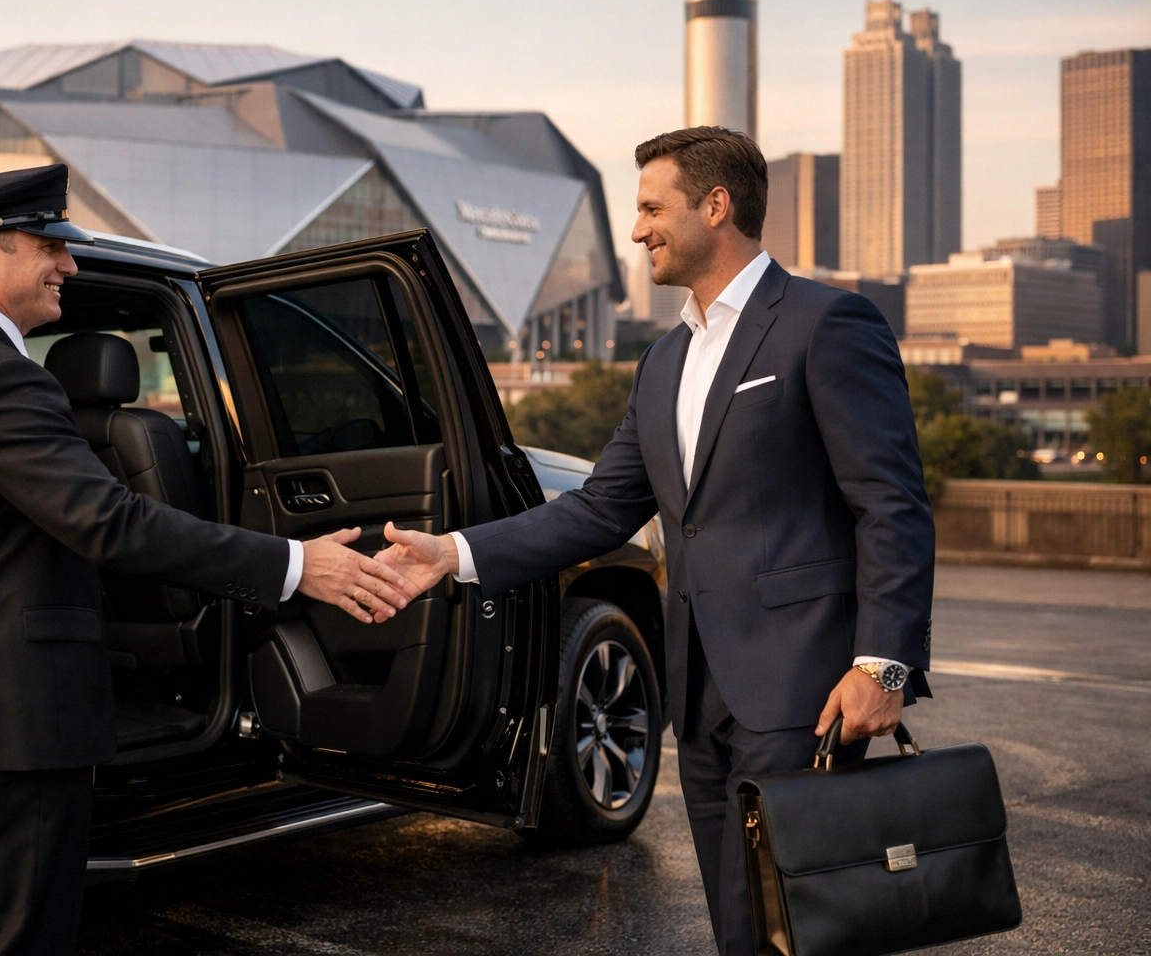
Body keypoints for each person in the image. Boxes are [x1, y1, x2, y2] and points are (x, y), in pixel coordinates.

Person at [376, 127, 935, 956]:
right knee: (740, 922)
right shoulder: (663, 361)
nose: (636, 230)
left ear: (717, 206)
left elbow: (891, 505)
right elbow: (599, 509)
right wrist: (453, 554)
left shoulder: (825, 323)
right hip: (697, 688)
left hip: (802, 687)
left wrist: (882, 665)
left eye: (649, 207)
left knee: (810, 924)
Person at [0, 164, 410, 956]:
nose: (70, 265)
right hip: (15, 717)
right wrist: (294, 564)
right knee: (12, 936)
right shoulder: (2, 380)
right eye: (48, 245)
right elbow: (113, 524)